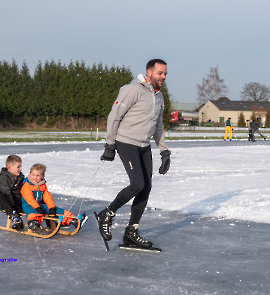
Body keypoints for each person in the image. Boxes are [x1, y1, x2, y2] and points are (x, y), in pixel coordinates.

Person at [96, 59, 171, 249]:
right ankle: (108, 213)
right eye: (160, 73)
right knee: (138, 184)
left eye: (165, 74)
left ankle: (131, 232)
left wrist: (164, 151)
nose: (163, 77)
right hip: (126, 141)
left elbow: (158, 126)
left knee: (146, 188)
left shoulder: (159, 96)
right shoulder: (132, 90)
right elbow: (114, 116)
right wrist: (110, 144)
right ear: (149, 72)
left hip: (144, 146)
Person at [21, 163, 79, 233]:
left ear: (43, 176)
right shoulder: (27, 185)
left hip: (39, 205)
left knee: (56, 209)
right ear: (30, 174)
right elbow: (29, 198)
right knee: (33, 212)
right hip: (28, 205)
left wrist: (51, 207)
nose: (35, 177)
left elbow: (47, 197)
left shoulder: (42, 185)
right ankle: (34, 224)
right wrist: (37, 207)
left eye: (37, 175)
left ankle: (72, 219)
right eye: (33, 175)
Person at [0, 155, 25, 230]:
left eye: (20, 166)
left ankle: (49, 220)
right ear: (9, 168)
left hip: (19, 203)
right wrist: (13, 207)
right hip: (8, 204)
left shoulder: (21, 177)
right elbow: (7, 192)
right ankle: (14, 217)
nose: (20, 169)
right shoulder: (4, 178)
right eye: (18, 167)